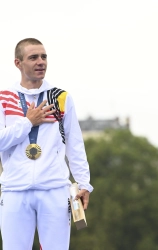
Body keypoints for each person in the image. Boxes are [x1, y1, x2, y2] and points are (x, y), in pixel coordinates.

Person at [0, 38, 93, 250]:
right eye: (33, 57)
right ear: (18, 63)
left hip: (54, 189)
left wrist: (84, 183)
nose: (41, 61)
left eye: (44, 57)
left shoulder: (60, 97)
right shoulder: (4, 98)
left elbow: (75, 144)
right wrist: (27, 122)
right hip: (15, 190)